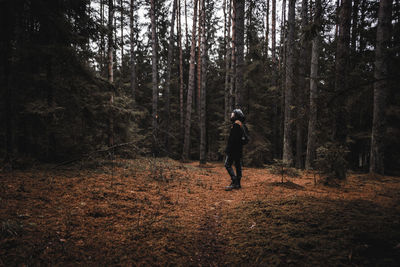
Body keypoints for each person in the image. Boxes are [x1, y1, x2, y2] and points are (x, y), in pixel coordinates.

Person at [225, 109, 247, 191]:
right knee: (238, 165)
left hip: (233, 150)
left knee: (227, 164)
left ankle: (234, 182)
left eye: (233, 114)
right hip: (239, 150)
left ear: (236, 115)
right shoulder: (241, 125)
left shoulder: (235, 125)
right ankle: (238, 183)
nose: (231, 116)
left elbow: (232, 140)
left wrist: (228, 150)